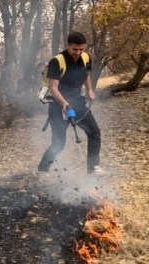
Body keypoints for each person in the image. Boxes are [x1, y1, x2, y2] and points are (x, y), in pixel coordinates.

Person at [37, 31, 106, 176]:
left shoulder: (86, 57)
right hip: (58, 106)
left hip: (77, 102)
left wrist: (89, 90)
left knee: (94, 133)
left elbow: (86, 76)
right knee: (59, 143)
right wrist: (64, 104)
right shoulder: (57, 62)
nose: (78, 52)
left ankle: (93, 168)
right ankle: (42, 171)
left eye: (81, 49)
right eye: (75, 49)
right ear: (67, 46)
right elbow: (54, 88)